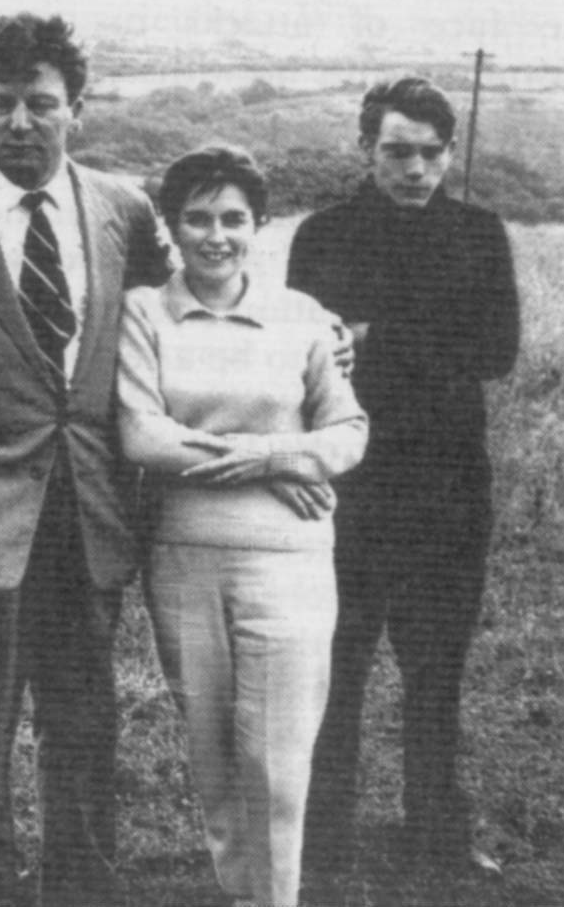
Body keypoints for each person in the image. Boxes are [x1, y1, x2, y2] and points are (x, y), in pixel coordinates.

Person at [0, 13, 170, 907]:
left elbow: (178, 322)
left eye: (40, 104)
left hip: (93, 503)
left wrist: (305, 334)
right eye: (0, 104)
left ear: (75, 109)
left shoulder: (125, 208)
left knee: (85, 709)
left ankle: (83, 880)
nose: (20, 122)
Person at [117, 145, 369, 907]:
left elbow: (347, 433)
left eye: (233, 218)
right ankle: (240, 890)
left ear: (260, 222)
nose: (215, 235)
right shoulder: (143, 311)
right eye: (196, 218)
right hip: (184, 559)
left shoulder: (303, 316)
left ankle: (275, 899)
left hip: (290, 559)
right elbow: (142, 436)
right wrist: (279, 461)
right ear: (172, 226)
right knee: (214, 749)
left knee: (277, 756)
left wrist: (274, 452)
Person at [286, 76, 519, 877]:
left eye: (430, 153)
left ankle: (437, 840)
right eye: (396, 152)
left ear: (449, 153)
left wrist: (377, 335)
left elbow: (497, 353)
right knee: (336, 673)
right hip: (351, 493)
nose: (415, 169)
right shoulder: (322, 235)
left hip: (452, 492)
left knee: (436, 673)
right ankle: (323, 844)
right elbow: (310, 362)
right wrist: (420, 341)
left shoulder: (480, 233)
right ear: (365, 149)